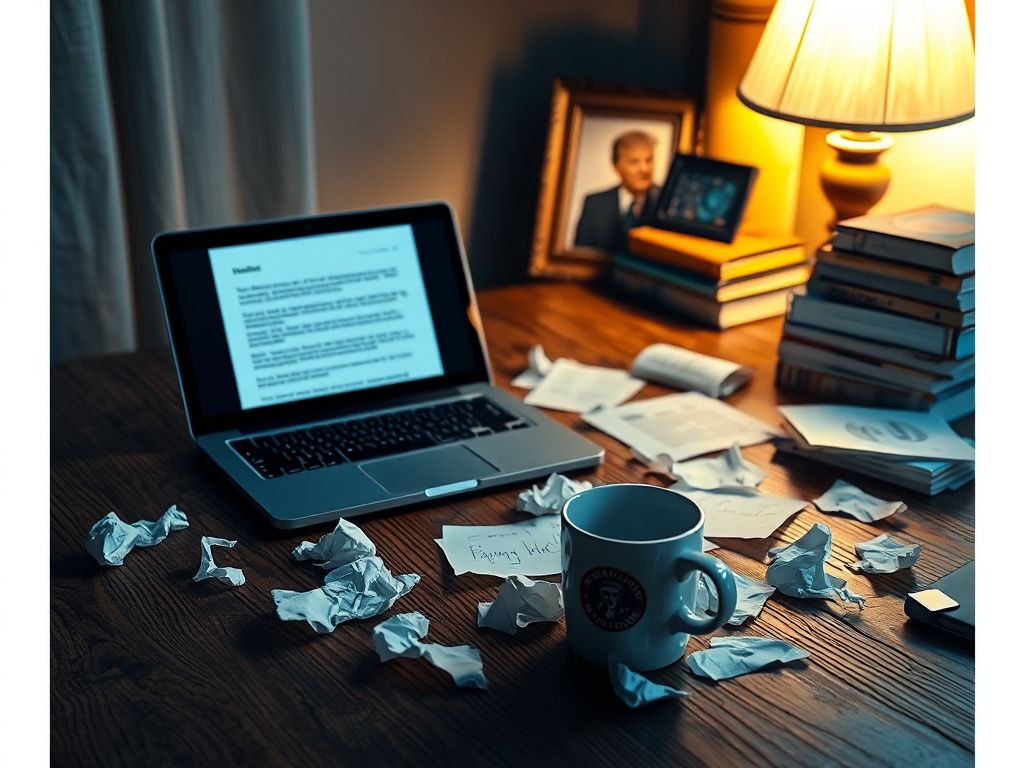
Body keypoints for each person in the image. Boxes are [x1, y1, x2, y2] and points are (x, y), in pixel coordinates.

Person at [574, 130, 660, 252]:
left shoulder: (667, 205)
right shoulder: (594, 204)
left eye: (649, 160)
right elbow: (580, 256)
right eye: (634, 162)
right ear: (616, 167)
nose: (644, 169)